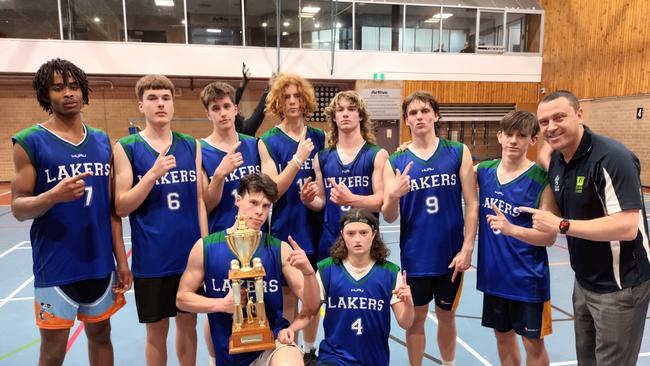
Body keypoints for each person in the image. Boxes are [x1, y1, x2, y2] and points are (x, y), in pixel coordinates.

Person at [11, 58, 131, 366]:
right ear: (45, 95)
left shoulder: (103, 141)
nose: (68, 93)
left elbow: (112, 210)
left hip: (99, 262)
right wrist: (52, 196)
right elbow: (18, 207)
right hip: (56, 264)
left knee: (102, 335)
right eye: (58, 87)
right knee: (53, 350)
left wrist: (121, 260)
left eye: (74, 86)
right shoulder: (29, 141)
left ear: (84, 91)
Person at [521, 90, 650, 366]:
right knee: (587, 361)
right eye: (544, 122)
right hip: (584, 282)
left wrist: (561, 224)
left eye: (559, 117)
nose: (551, 127)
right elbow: (547, 162)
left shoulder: (612, 159)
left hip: (620, 286)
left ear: (580, 115)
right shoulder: (558, 159)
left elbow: (627, 226)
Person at [176, 173, 321, 366]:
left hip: (272, 342)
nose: (260, 211)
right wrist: (220, 304)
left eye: (266, 206)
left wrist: (308, 272)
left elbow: (312, 305)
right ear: (237, 200)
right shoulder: (205, 247)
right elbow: (182, 298)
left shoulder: (279, 248)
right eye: (253, 202)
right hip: (229, 349)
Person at [113, 75, 208, 366]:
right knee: (156, 330)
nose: (160, 104)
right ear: (141, 105)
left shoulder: (191, 145)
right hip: (152, 258)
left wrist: (206, 246)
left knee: (187, 323)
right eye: (153, 98)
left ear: (173, 104)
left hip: (189, 255)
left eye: (166, 98)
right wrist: (152, 176)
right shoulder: (126, 147)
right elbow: (121, 205)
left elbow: (200, 200)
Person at [381, 91, 478, 366]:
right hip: (416, 256)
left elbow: (472, 202)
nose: (419, 116)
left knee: (447, 315)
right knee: (416, 318)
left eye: (424, 111)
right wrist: (393, 195)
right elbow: (388, 216)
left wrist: (468, 247)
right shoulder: (395, 161)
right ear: (406, 121)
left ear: (436, 115)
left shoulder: (458, 152)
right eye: (413, 113)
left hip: (451, 256)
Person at [277, 208, 414, 366]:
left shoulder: (390, 272)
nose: (357, 239)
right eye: (351, 233)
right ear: (342, 234)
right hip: (333, 358)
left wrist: (409, 304)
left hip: (374, 360)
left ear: (374, 234)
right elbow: (309, 310)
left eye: (363, 233)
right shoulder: (326, 269)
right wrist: (291, 329)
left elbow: (406, 322)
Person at [475, 111, 558, 365]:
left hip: (528, 280)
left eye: (521, 136)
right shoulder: (483, 171)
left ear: (532, 140)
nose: (513, 141)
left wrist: (512, 229)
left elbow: (549, 237)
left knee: (533, 344)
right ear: (499, 136)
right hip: (494, 277)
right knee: (502, 337)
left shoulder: (541, 180)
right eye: (508, 134)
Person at [258, 73, 326, 362]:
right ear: (277, 102)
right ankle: (290, 351)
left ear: (306, 100)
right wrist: (298, 158)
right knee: (289, 297)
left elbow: (324, 180)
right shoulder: (268, 140)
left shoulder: (320, 136)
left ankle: (309, 351)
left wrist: (314, 196)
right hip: (285, 228)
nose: (293, 102)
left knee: (315, 295)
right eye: (286, 97)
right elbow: (272, 190)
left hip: (316, 226)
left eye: (298, 96)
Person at [200, 81, 260, 233]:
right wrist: (219, 175)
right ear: (208, 114)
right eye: (215, 108)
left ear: (235, 109)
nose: (223, 113)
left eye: (226, 106)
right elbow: (206, 206)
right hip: (222, 237)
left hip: (256, 234)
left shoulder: (255, 145)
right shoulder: (200, 151)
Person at [234, 62, 270, 136]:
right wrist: (269, 89)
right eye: (236, 111)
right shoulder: (245, 130)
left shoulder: (240, 129)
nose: (239, 110)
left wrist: (243, 84)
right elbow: (259, 112)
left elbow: (233, 103)